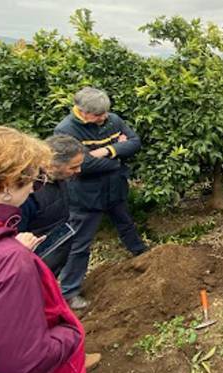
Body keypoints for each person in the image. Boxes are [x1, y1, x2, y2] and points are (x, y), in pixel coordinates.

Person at [0, 126, 86, 373]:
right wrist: (71, 331)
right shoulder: (7, 262)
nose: (36, 188)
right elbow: (23, 363)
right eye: (31, 182)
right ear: (4, 187)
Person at [55, 87, 148, 309]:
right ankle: (69, 291)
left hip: (114, 189)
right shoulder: (66, 131)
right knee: (80, 243)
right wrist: (117, 158)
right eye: (98, 115)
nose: (103, 117)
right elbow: (83, 165)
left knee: (126, 223)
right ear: (83, 112)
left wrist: (107, 151)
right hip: (86, 196)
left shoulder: (112, 120)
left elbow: (134, 142)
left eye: (105, 113)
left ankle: (141, 254)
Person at [18, 135, 84, 276]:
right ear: (52, 164)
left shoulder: (58, 178)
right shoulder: (26, 196)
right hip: (33, 269)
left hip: (53, 260)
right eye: (73, 167)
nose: (79, 171)